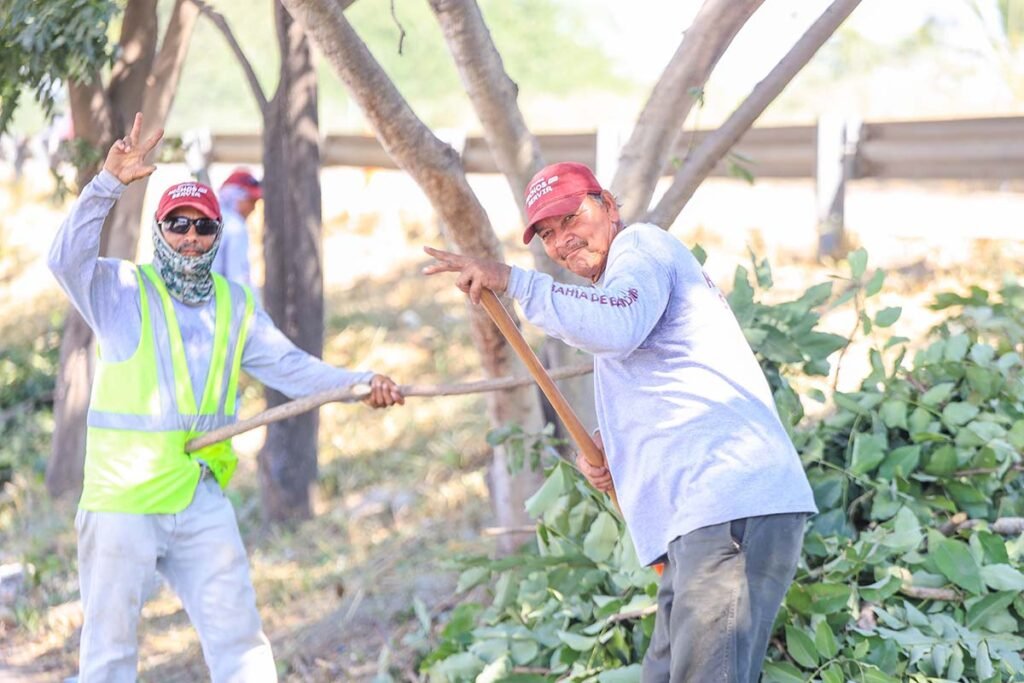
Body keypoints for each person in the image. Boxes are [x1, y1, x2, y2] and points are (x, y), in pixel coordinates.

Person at [423, 161, 817, 682]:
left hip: (728, 507)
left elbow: (618, 325)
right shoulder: (619, 285)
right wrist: (617, 451)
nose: (562, 241)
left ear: (608, 205)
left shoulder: (642, 249)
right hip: (700, 518)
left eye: (571, 219)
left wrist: (516, 282)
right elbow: (664, 378)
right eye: (547, 233)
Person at [48, 113, 404, 683]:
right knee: (109, 657)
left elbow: (292, 368)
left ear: (218, 234)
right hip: (123, 503)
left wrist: (360, 384)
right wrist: (107, 185)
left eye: (203, 228)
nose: (191, 237)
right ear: (159, 231)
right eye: (178, 225)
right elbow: (64, 261)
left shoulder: (235, 304)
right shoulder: (122, 290)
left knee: (240, 643)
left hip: (198, 498)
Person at [211, 167, 261, 290]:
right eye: (251, 201)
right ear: (236, 197)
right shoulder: (236, 228)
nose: (253, 208)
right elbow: (238, 279)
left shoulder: (210, 220)